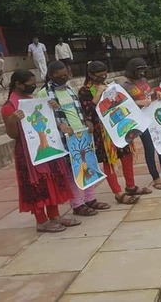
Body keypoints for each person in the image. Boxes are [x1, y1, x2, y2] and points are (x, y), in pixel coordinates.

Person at [1, 69, 80, 232]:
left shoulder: (34, 101)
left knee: (52, 180)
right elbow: (13, 135)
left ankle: (55, 216)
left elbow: (48, 121)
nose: (33, 87)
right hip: (28, 152)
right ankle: (41, 221)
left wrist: (55, 114)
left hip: (47, 146)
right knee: (36, 184)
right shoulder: (9, 107)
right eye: (30, 84)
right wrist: (12, 120)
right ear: (18, 84)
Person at [37, 61, 111, 216]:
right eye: (60, 76)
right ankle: (77, 204)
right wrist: (59, 125)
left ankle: (90, 199)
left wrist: (87, 121)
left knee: (87, 166)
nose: (64, 78)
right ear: (51, 75)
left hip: (81, 134)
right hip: (65, 138)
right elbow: (42, 117)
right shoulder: (44, 93)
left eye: (66, 75)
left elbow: (78, 110)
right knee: (72, 171)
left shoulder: (68, 89)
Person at [78, 61, 150, 204]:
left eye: (105, 74)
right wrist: (99, 93)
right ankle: (118, 193)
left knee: (127, 155)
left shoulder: (110, 86)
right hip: (102, 132)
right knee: (110, 161)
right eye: (99, 75)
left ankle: (131, 186)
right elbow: (88, 112)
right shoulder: (84, 91)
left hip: (119, 126)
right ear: (91, 75)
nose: (103, 77)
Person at [121, 58, 161, 189]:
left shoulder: (144, 81)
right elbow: (122, 105)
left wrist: (156, 93)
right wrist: (137, 103)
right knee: (150, 148)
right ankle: (156, 177)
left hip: (153, 117)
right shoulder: (125, 87)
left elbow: (148, 94)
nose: (142, 73)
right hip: (141, 121)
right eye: (139, 70)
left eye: (143, 70)